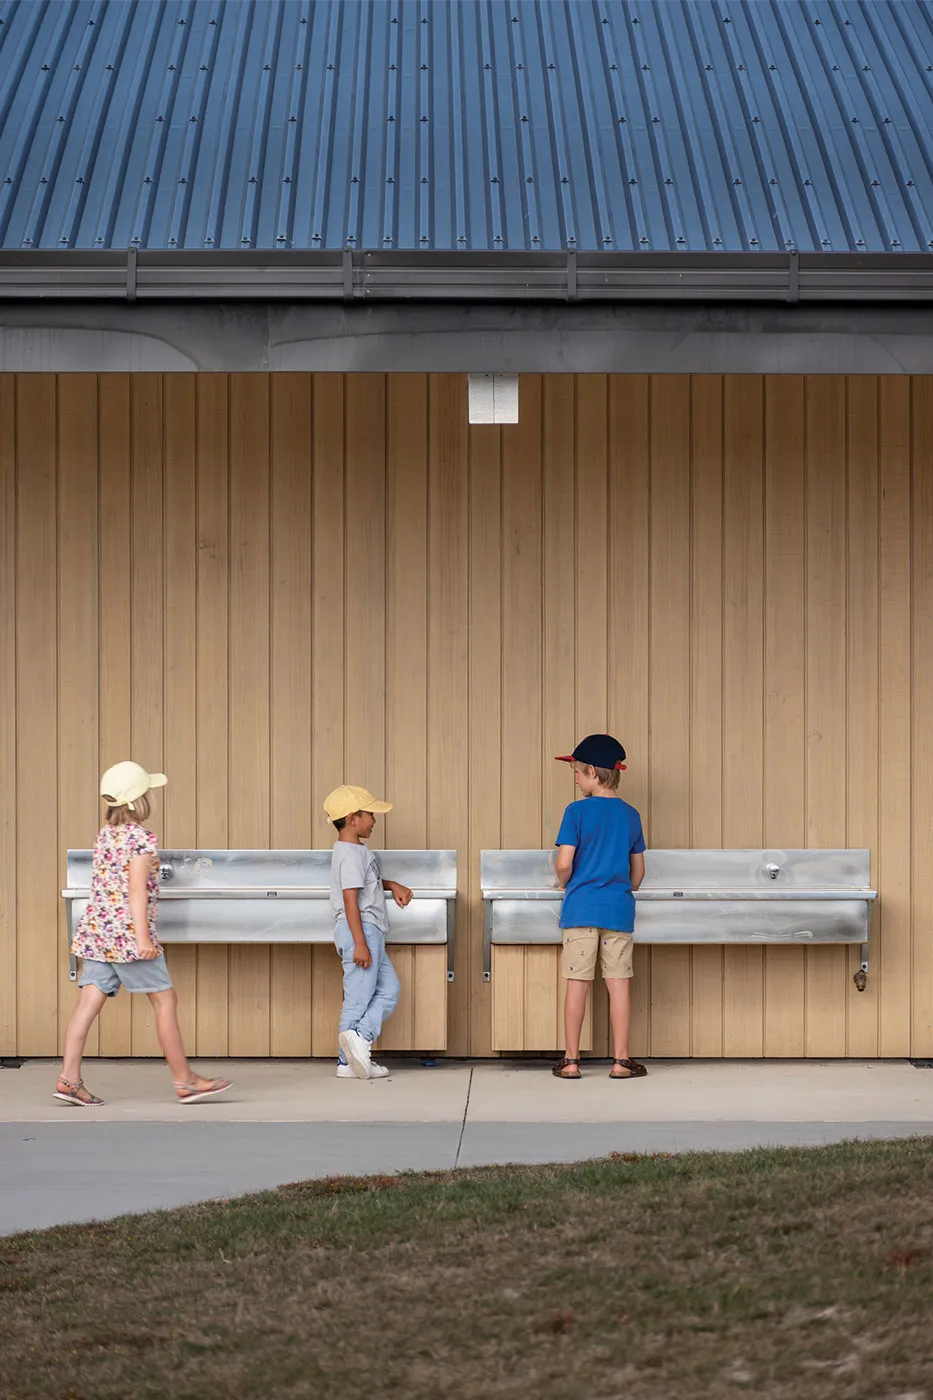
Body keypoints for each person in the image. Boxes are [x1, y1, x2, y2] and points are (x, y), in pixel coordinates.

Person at [55, 761, 232, 1107]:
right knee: (165, 1001)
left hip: (97, 934)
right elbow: (136, 891)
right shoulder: (142, 838)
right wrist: (143, 939)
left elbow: (113, 881)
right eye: (147, 792)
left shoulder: (106, 835)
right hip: (126, 937)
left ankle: (69, 1079)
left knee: (87, 1005)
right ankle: (185, 1081)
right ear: (137, 802)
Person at [551, 734, 648, 1081]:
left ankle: (571, 1061)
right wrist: (623, 889)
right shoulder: (631, 815)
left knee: (578, 983)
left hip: (581, 909)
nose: (576, 778)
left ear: (592, 771)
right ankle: (621, 1062)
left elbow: (565, 862)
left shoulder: (575, 812)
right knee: (618, 984)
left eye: (577, 772)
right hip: (618, 910)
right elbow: (638, 872)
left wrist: (566, 882)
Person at [324, 785, 412, 1080]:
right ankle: (347, 1061)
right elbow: (351, 900)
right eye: (370, 814)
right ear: (352, 818)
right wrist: (360, 944)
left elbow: (365, 883)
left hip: (369, 931)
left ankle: (358, 1044)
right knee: (358, 998)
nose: (374, 820)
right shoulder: (350, 854)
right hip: (360, 931)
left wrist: (391, 885)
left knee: (389, 990)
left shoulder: (357, 851)